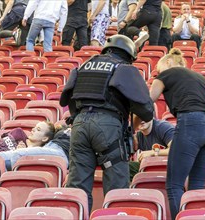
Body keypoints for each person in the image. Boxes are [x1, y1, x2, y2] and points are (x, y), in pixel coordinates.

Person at [60, 34, 154, 211]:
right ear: (128, 54)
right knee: (116, 185)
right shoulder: (124, 68)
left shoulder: (84, 66)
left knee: (77, 187)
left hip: (79, 126)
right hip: (107, 125)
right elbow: (146, 110)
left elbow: (67, 101)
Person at [150, 48, 205, 220]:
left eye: (158, 70)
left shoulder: (167, 74)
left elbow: (148, 100)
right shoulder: (200, 78)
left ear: (167, 62)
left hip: (192, 123)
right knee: (196, 184)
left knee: (174, 185)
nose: (157, 74)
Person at [0, 126, 71, 170]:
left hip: (60, 152)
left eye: (38, 129)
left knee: (6, 159)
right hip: (52, 148)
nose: (33, 130)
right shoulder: (69, 127)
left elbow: (18, 154)